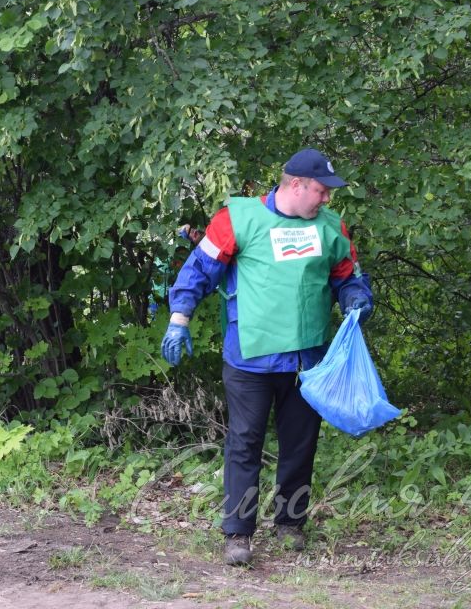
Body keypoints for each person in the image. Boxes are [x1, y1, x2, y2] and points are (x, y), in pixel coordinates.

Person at [160, 148, 373, 566]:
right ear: (295, 185)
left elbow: (346, 277)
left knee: (300, 443)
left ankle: (290, 522)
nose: (326, 199)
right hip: (250, 359)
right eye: (320, 190)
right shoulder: (237, 219)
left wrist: (356, 300)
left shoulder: (332, 227)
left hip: (307, 360)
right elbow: (199, 269)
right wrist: (179, 317)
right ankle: (237, 533)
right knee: (244, 443)